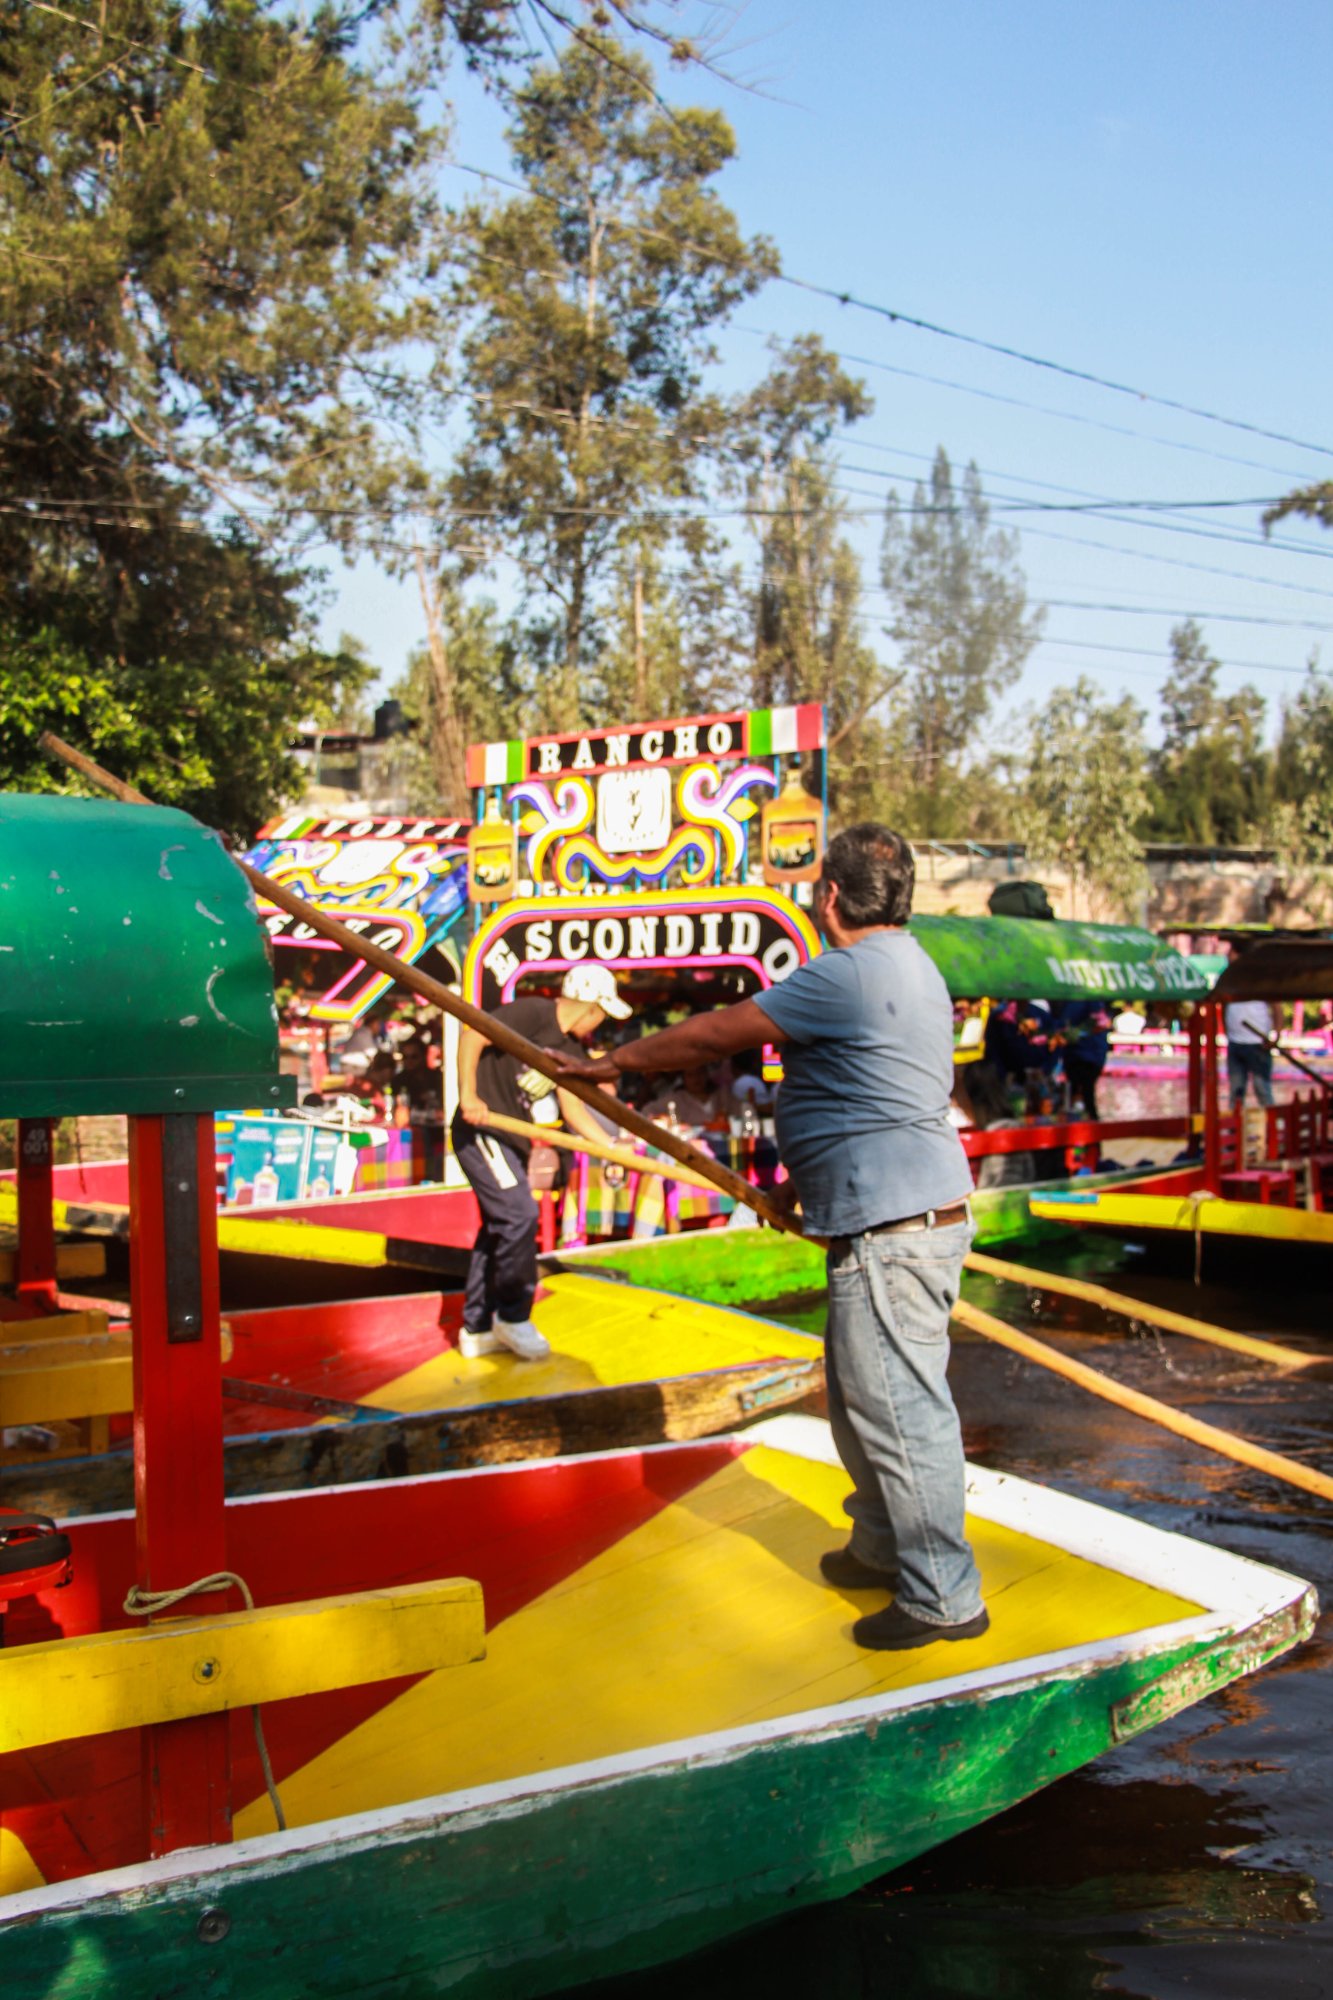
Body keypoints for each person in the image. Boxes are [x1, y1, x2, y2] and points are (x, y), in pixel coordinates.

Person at [553, 823, 988, 1654]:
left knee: (899, 1410)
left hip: (892, 1228)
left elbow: (714, 1034)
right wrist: (800, 1184)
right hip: (884, 1215)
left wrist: (611, 1064)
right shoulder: (908, 965)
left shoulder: (850, 971)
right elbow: (868, 1093)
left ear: (829, 896)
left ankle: (943, 1595)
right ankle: (880, 1544)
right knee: (862, 1401)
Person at [453, 965, 633, 1359]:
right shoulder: (534, 1013)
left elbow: (574, 1111)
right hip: (484, 1130)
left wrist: (611, 1146)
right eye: (601, 1015)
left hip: (511, 1140)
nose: (600, 1023)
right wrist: (468, 1094)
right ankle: (513, 1315)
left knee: (499, 1228)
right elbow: (472, 1036)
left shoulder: (569, 1051)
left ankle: (478, 1327)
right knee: (519, 1215)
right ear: (590, 1007)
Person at [1223, 991, 1282, 1108]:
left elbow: (1276, 1007)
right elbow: (1224, 1007)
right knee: (1236, 1090)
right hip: (1235, 1042)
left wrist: (1277, 1034)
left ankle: (1270, 1118)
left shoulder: (1262, 985)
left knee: (1262, 1088)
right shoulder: (1231, 986)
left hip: (1258, 1044)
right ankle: (1235, 1119)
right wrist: (1227, 1033)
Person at [1054, 1000, 1112, 1119]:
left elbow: (1100, 1023)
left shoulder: (1090, 1001)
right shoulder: (1070, 1002)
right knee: (1076, 1096)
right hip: (1076, 1055)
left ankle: (1090, 1126)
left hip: (1087, 1057)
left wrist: (1076, 1034)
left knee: (1085, 1095)